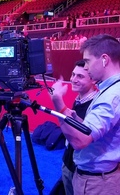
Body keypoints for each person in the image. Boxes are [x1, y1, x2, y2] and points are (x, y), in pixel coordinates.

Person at [51, 34, 120, 195]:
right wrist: (74, 118)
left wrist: (58, 105)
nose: (86, 67)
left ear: (104, 59)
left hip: (97, 182)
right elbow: (94, 130)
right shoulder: (110, 89)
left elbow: (80, 141)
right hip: (96, 177)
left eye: (88, 61)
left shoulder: (112, 96)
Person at [51, 60, 98, 195]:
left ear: (93, 80)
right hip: (69, 162)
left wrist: (59, 103)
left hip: (84, 169)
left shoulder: (96, 105)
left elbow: (83, 137)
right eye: (73, 75)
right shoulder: (79, 100)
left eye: (80, 76)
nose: (73, 79)